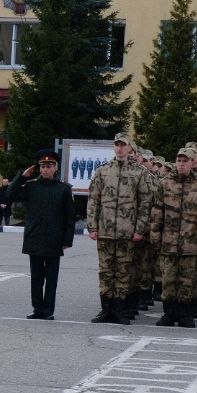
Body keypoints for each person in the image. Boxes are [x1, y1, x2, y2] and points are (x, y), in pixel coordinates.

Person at [86, 132, 151, 324]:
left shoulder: (139, 172)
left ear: (130, 148)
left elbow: (145, 203)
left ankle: (120, 310)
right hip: (105, 231)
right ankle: (106, 310)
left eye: (123, 145)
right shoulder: (103, 171)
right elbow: (93, 200)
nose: (120, 148)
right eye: (117, 145)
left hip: (127, 232)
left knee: (124, 271)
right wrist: (92, 226)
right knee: (105, 271)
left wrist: (140, 229)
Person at [149, 148, 197, 328]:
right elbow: (156, 213)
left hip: (190, 243)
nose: (181, 164)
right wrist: (155, 237)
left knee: (187, 281)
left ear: (192, 163)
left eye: (185, 161)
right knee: (168, 280)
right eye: (179, 161)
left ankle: (185, 315)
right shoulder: (165, 183)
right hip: (168, 242)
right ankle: (169, 314)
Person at [8, 150, 75, 320]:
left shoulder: (64, 189)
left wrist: (67, 240)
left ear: (55, 168)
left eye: (49, 166)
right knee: (36, 277)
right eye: (43, 166)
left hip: (54, 239)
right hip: (35, 237)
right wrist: (21, 178)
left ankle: (48, 311)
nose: (46, 169)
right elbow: (8, 196)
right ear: (39, 168)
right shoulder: (30, 186)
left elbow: (70, 217)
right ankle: (37, 308)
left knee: (51, 279)